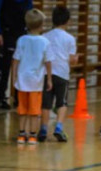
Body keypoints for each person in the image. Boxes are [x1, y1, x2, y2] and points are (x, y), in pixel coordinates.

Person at [12, 8, 51, 145]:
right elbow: (48, 63)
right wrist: (49, 79)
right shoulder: (45, 42)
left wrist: (14, 77)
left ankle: (22, 134)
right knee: (34, 110)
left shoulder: (21, 40)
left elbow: (15, 60)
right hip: (36, 82)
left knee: (22, 109)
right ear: (41, 25)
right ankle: (33, 135)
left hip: (22, 81)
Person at [39, 5, 76, 142]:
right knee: (62, 103)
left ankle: (43, 129)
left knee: (46, 103)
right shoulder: (70, 38)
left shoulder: (44, 36)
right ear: (68, 21)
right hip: (62, 73)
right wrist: (75, 59)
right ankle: (59, 127)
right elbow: (71, 60)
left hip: (46, 73)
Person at [0, 0, 33, 110]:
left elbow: (30, 11)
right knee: (4, 66)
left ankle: (19, 96)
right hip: (7, 32)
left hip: (22, 32)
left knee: (22, 66)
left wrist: (32, 31)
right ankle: (1, 97)